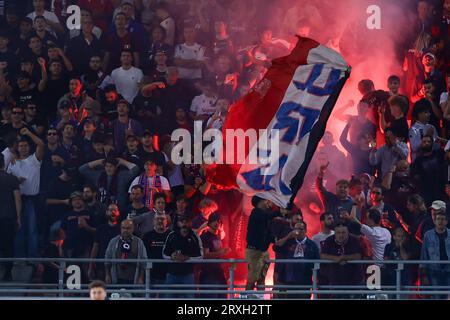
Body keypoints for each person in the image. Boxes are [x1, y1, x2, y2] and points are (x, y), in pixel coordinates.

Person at [7, 127, 44, 259]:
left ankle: (32, 259)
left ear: (29, 147)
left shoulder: (34, 160)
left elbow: (41, 144)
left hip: (31, 200)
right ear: (17, 148)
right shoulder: (12, 162)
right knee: (18, 230)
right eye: (20, 146)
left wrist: (29, 133)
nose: (23, 148)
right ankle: (19, 259)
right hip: (15, 199)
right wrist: (16, 181)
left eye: (25, 145)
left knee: (32, 230)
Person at [162, 214, 203, 298]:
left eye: (186, 221)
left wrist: (187, 258)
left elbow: (201, 256)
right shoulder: (171, 235)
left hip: (188, 275)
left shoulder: (195, 236)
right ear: (178, 223)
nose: (184, 224)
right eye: (182, 221)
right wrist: (172, 257)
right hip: (172, 274)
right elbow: (164, 254)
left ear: (190, 223)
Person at [245, 196, 280, 295]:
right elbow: (265, 223)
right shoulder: (256, 213)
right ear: (261, 202)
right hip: (254, 251)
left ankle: (260, 298)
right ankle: (247, 299)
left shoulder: (263, 215)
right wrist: (278, 212)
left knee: (261, 278)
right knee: (252, 279)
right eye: (267, 199)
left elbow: (267, 230)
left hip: (263, 251)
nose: (269, 202)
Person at [320, 223, 364, 298]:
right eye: (338, 233)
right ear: (335, 233)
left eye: (343, 232)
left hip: (353, 279)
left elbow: (358, 256)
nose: (341, 235)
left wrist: (343, 257)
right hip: (335, 280)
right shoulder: (329, 240)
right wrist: (335, 258)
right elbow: (322, 255)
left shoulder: (354, 240)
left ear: (348, 232)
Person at [282, 221, 320, 299]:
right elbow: (276, 247)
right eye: (295, 229)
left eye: (301, 229)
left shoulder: (312, 245)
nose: (297, 231)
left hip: (305, 280)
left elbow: (317, 263)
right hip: (290, 280)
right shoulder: (288, 243)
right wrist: (287, 237)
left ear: (305, 230)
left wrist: (316, 280)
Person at [105, 219, 147, 286]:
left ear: (133, 229)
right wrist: (107, 275)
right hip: (116, 278)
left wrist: (141, 277)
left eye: (128, 228)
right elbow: (107, 259)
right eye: (123, 228)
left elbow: (143, 261)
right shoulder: (114, 241)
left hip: (133, 279)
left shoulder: (139, 242)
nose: (125, 230)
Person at [199, 212, 231, 299]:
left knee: (222, 296)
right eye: (214, 221)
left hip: (218, 273)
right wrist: (221, 252)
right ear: (209, 223)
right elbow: (205, 255)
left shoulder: (217, 237)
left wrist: (224, 251)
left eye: (218, 221)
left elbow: (216, 253)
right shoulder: (205, 237)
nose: (217, 223)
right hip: (208, 274)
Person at [0, 153, 21, 281]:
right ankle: (8, 272)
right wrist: (19, 217)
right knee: (9, 245)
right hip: (8, 217)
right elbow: (17, 198)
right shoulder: (12, 179)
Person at [420, 211, 450, 299]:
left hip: (449, 270)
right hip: (434, 271)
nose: (440, 221)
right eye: (438, 219)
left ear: (446, 221)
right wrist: (423, 275)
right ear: (434, 221)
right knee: (437, 296)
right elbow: (424, 255)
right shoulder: (428, 235)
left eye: (443, 219)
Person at [88, 203, 121, 282]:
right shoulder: (101, 229)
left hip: (118, 265)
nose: (112, 212)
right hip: (102, 264)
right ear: (106, 212)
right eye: (110, 210)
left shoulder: (122, 229)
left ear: (118, 212)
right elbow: (95, 248)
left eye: (115, 210)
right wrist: (90, 266)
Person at [411, 135, 447, 206]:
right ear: (421, 144)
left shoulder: (439, 154)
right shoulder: (418, 161)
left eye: (428, 141)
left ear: (432, 143)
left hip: (440, 191)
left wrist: (442, 140)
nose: (426, 143)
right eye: (424, 142)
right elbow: (414, 177)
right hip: (426, 194)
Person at [142, 214, 171, 296]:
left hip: (167, 274)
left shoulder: (171, 235)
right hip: (150, 274)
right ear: (153, 221)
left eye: (162, 219)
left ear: (167, 221)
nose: (160, 221)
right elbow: (143, 255)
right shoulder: (147, 236)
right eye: (157, 219)